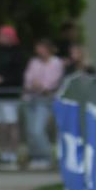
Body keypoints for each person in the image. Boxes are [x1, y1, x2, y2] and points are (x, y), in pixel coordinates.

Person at [0, 24, 25, 170]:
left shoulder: (17, 54)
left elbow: (18, 76)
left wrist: (3, 80)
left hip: (10, 94)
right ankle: (4, 153)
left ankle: (13, 154)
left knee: (11, 124)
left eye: (1, 35)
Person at [23, 38, 64, 170]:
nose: (39, 50)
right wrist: (33, 85)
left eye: (41, 47)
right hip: (31, 98)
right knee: (30, 130)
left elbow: (53, 81)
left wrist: (41, 85)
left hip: (45, 99)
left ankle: (46, 156)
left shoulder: (56, 63)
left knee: (37, 129)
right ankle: (35, 157)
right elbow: (28, 78)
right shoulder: (34, 62)